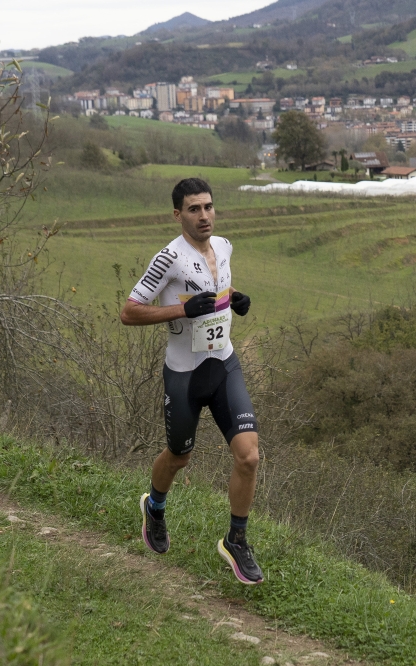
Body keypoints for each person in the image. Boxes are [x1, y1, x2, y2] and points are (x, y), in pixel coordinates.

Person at [121, 178, 263, 585]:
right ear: (178, 215)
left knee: (249, 456)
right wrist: (180, 313)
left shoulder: (224, 246)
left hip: (223, 366)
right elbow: (129, 312)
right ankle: (156, 508)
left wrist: (236, 299)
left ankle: (236, 539)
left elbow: (219, 289)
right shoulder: (167, 258)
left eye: (208, 207)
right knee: (179, 457)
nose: (204, 216)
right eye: (194, 209)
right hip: (183, 376)